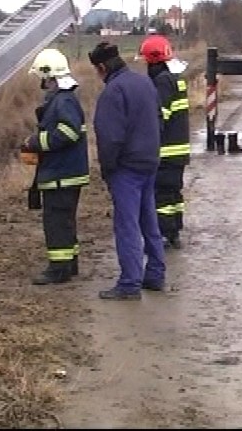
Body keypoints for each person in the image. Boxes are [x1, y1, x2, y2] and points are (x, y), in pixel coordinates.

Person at [88, 41, 166, 300]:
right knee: (149, 221)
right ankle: (155, 274)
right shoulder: (144, 83)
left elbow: (110, 138)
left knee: (127, 225)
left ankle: (130, 283)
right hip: (149, 162)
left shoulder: (113, 92)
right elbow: (159, 120)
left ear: (102, 67)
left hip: (126, 169)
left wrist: (108, 170)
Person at [20, 47, 90, 285]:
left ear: (49, 76)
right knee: (65, 220)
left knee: (56, 221)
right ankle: (69, 265)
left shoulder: (63, 101)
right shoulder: (65, 98)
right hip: (66, 173)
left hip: (62, 175)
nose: (42, 82)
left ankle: (58, 269)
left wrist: (35, 142)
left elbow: (67, 133)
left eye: (42, 77)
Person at [141, 30, 191, 249]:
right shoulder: (175, 79)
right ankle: (174, 232)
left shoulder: (162, 82)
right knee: (173, 193)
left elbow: (158, 116)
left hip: (166, 151)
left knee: (161, 196)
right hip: (179, 151)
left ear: (153, 60)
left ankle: (163, 234)